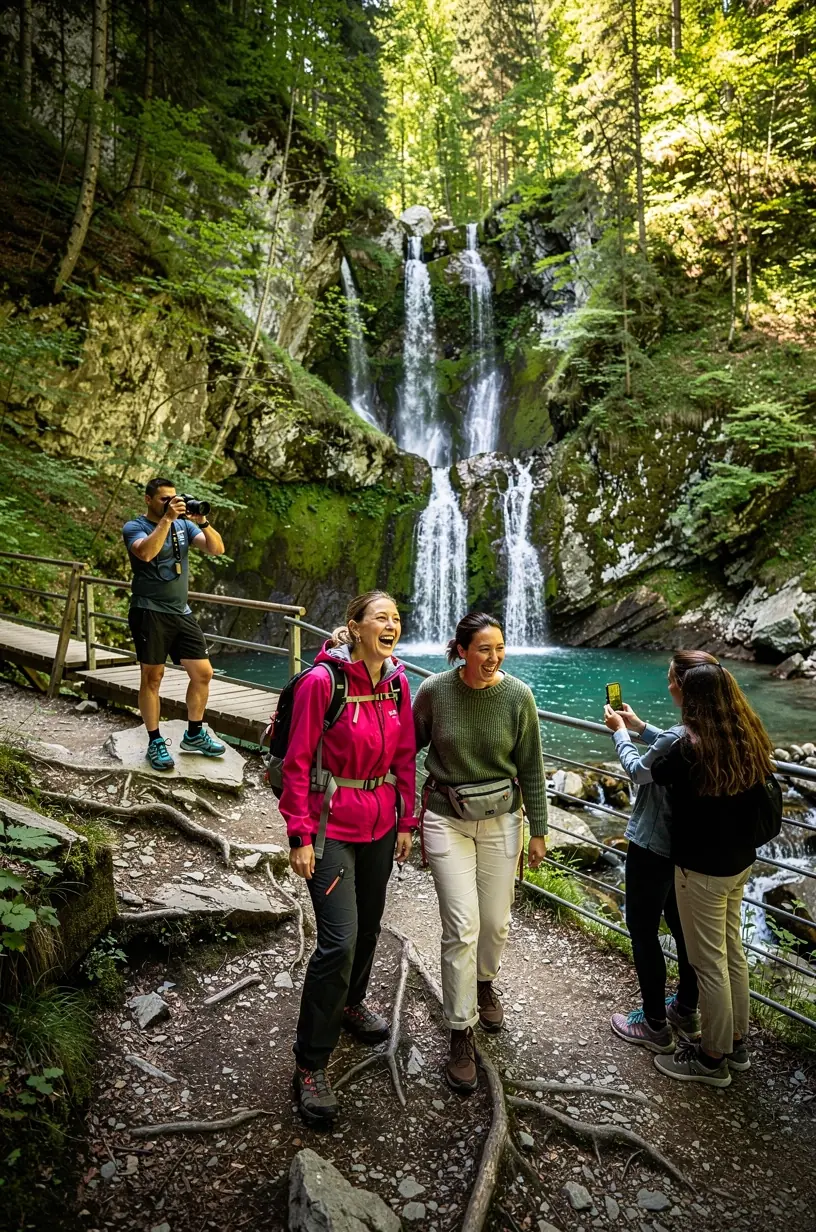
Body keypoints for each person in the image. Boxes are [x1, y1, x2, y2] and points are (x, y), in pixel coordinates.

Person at [280, 591, 415, 1128]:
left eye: (397, 619)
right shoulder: (322, 683)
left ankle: (352, 1004)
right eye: (381, 617)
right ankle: (310, 1063)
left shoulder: (399, 683)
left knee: (370, 928)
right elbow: (296, 762)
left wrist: (406, 821)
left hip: (381, 822)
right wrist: (300, 835)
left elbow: (406, 756)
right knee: (338, 940)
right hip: (331, 824)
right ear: (355, 626)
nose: (392, 625)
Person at [413, 613, 548, 1095]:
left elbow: (531, 765)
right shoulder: (433, 691)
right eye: (484, 649)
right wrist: (408, 814)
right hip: (445, 817)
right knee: (462, 925)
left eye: (500, 648)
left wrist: (539, 829)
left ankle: (484, 981)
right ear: (462, 650)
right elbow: (407, 750)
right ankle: (460, 1029)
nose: (493, 658)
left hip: (502, 821)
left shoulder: (518, 696)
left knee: (494, 923)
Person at [647, 659, 774, 1088]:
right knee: (732, 952)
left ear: (694, 700)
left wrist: (627, 733)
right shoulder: (747, 738)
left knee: (708, 963)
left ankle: (710, 1059)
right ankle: (736, 1043)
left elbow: (654, 771)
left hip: (700, 871)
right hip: (739, 865)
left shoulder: (690, 748)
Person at [603, 652, 720, 1053]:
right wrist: (642, 727)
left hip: (653, 843)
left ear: (683, 687)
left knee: (642, 929)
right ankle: (686, 1009)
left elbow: (640, 772)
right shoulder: (716, 728)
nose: (667, 684)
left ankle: (654, 1023)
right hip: (687, 850)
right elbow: (671, 750)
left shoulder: (680, 735)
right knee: (684, 929)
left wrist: (620, 732)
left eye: (671, 679)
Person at [122, 478, 226, 771]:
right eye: (163, 499)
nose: (169, 503)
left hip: (181, 611)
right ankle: (155, 741)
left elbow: (216, 549)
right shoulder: (135, 527)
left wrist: (202, 522)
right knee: (153, 677)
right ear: (148, 500)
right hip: (149, 611)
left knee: (203, 673)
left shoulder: (184, 526)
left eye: (173, 498)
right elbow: (146, 553)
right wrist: (168, 519)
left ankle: (194, 734)